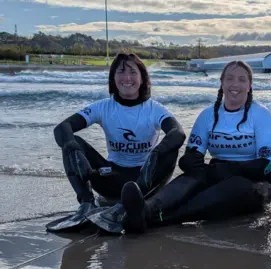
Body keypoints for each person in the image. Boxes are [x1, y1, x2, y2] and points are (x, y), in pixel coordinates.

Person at [94, 60, 271, 234]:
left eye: (242, 79)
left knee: (234, 185)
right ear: (221, 83)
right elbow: (190, 157)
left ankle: (157, 220)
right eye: (230, 78)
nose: (235, 84)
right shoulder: (208, 116)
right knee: (193, 177)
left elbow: (266, 166)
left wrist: (229, 169)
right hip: (218, 173)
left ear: (250, 86)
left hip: (256, 183)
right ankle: (147, 208)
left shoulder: (262, 117)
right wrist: (192, 162)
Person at [46, 52, 185, 232]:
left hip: (145, 181)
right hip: (112, 178)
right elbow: (62, 128)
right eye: (120, 72)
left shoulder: (154, 109)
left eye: (133, 72)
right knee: (72, 141)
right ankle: (86, 204)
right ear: (113, 78)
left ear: (143, 78)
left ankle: (123, 208)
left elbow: (178, 132)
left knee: (170, 149)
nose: (127, 78)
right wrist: (71, 147)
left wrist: (158, 151)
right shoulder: (103, 107)